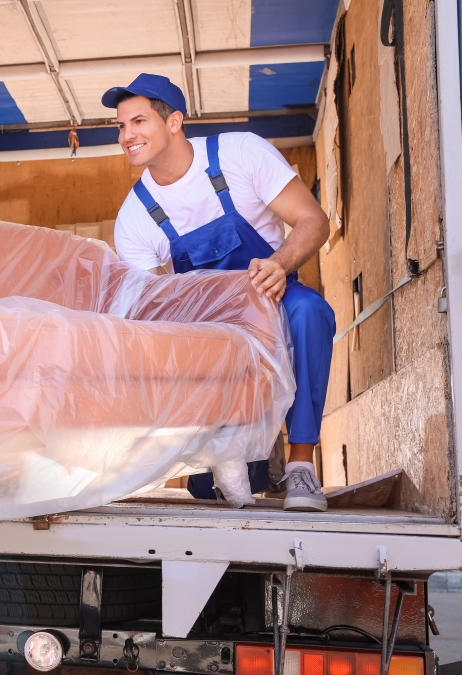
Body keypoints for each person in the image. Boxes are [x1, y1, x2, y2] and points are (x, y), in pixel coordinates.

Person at [103, 73, 336, 512]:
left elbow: (313, 221)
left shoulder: (239, 153)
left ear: (174, 121)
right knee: (209, 488)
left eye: (137, 121)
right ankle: (218, 453)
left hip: (272, 298)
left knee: (310, 313)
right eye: (121, 126)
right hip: (206, 326)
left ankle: (301, 465)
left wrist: (281, 264)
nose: (126, 136)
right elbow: (152, 306)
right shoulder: (135, 216)